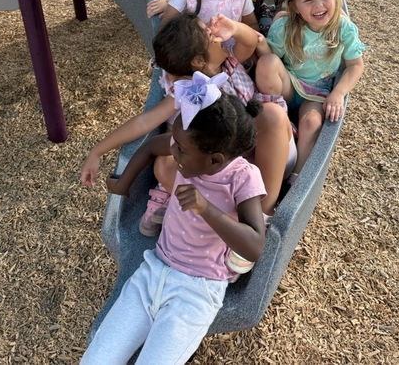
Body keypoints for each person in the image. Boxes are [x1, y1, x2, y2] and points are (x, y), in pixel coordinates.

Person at [80, 83, 266, 365]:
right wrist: (124, 184)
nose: (173, 153)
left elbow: (254, 245)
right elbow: (151, 147)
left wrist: (206, 208)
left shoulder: (243, 177)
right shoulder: (186, 145)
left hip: (197, 291)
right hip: (153, 271)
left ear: (214, 160)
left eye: (180, 150)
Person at [104, 13, 295, 229]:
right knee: (163, 165)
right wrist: (98, 151)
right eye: (207, 31)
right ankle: (223, 216)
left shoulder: (231, 60)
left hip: (270, 155)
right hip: (228, 166)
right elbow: (144, 122)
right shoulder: (189, 90)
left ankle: (262, 213)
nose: (214, 31)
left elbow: (251, 40)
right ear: (198, 61)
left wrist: (233, 27)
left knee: (271, 114)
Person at [255, 0, 367, 181]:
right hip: (288, 87)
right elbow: (271, 56)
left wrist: (338, 93)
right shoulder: (286, 26)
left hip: (316, 92)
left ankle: (296, 178)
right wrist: (257, 40)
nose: (319, 5)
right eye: (308, 0)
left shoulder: (342, 27)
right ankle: (277, 119)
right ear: (295, 6)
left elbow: (356, 65)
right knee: (267, 62)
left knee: (312, 123)